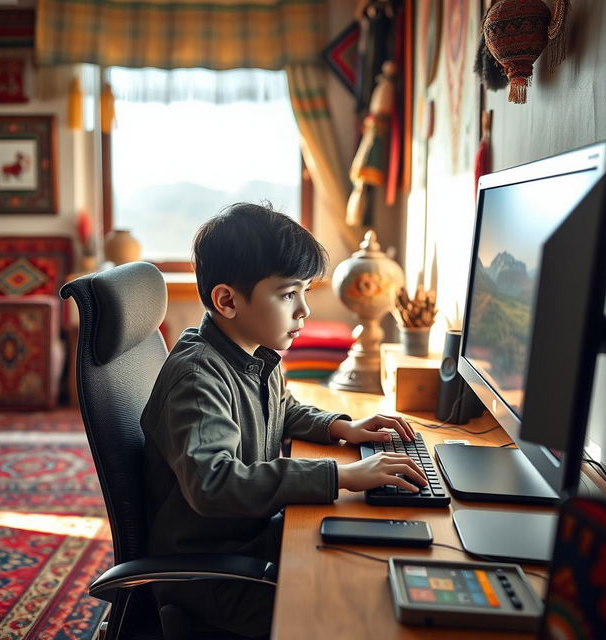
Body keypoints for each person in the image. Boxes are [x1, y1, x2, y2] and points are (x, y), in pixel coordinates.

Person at [141, 202, 427, 638]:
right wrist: (342, 474)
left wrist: (340, 427)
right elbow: (214, 483)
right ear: (227, 300)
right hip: (208, 573)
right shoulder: (199, 377)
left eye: (305, 292)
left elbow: (283, 408)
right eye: (288, 293)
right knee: (350, 613)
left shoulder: (254, 355)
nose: (304, 311)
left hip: (245, 539)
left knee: (361, 562)